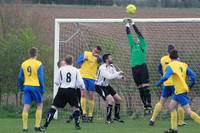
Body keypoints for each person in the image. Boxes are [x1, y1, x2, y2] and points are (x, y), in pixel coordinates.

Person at [155, 50, 200, 133]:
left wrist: (159, 82)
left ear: (170, 57)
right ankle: (174, 129)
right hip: (179, 90)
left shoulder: (170, 66)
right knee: (171, 107)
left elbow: (166, 77)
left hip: (180, 91)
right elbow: (193, 76)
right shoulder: (183, 64)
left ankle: (174, 129)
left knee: (188, 111)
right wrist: (190, 86)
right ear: (177, 57)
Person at [42, 55, 85, 130]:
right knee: (76, 108)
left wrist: (62, 84)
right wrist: (83, 88)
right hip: (72, 91)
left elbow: (56, 82)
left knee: (54, 107)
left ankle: (45, 126)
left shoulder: (61, 69)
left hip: (62, 90)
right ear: (72, 61)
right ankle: (77, 125)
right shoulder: (75, 70)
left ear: (65, 61)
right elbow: (80, 82)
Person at [149, 45, 187, 126]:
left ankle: (152, 119)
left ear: (167, 52)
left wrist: (163, 75)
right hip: (175, 84)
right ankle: (180, 121)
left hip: (166, 84)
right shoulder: (178, 60)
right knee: (180, 103)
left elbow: (159, 68)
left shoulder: (163, 59)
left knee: (161, 102)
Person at [124, 18, 152, 115]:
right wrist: (127, 25)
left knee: (145, 88)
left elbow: (139, 34)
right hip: (134, 69)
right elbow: (129, 36)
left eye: (138, 38)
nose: (137, 39)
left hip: (142, 67)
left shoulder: (143, 45)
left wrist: (133, 24)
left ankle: (149, 106)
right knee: (140, 88)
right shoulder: (133, 46)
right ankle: (145, 107)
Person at [18, 47, 45, 132]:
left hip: (26, 86)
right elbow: (40, 77)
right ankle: (37, 126)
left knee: (26, 106)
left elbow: (20, 77)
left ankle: (25, 127)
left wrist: (21, 87)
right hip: (35, 86)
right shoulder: (38, 64)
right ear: (36, 54)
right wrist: (42, 88)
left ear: (29, 54)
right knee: (40, 105)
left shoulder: (24, 64)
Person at [95, 54, 124, 123]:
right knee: (111, 100)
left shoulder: (111, 66)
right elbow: (109, 77)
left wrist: (120, 77)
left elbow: (115, 75)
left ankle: (116, 117)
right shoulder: (102, 68)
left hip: (107, 86)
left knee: (118, 99)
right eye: (110, 57)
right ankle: (108, 119)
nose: (112, 58)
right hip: (99, 86)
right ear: (106, 60)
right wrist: (119, 72)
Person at [76, 46, 102, 122]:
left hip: (92, 78)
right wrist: (84, 59)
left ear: (99, 52)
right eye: (95, 50)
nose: (95, 52)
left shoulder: (98, 58)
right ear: (93, 49)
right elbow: (78, 62)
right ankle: (83, 113)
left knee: (91, 95)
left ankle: (90, 114)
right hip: (83, 76)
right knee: (83, 93)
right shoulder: (85, 53)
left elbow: (101, 61)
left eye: (97, 52)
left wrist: (98, 56)